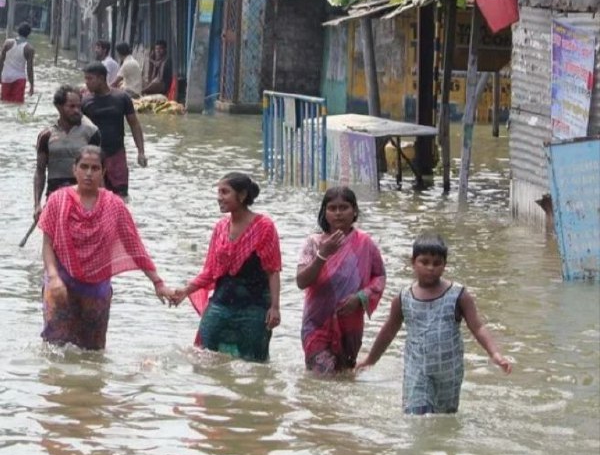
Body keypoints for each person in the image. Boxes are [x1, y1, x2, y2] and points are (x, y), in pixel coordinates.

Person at [356, 233, 512, 414]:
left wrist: (495, 353)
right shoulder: (403, 298)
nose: (431, 268)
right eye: (425, 262)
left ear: (445, 265)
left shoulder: (458, 295)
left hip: (449, 371)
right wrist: (370, 360)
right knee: (417, 416)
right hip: (417, 370)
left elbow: (477, 327)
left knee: (444, 419)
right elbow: (389, 332)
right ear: (413, 262)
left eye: (437, 263)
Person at [38, 145, 172, 350]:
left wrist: (158, 282)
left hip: (96, 290)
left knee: (92, 353)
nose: (89, 173)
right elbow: (47, 244)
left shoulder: (114, 205)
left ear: (104, 172)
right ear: (74, 169)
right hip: (61, 285)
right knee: (55, 349)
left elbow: (135, 247)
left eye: (95, 168)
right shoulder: (58, 200)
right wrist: (54, 277)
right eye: (84, 167)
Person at [170, 173, 281, 362]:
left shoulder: (264, 227)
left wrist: (275, 307)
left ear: (242, 195)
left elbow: (273, 270)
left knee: (254, 366)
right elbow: (211, 271)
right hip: (220, 305)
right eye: (218, 192)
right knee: (202, 358)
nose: (219, 197)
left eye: (225, 192)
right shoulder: (221, 227)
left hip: (254, 308)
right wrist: (185, 291)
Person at [297, 186, 386, 375]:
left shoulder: (365, 243)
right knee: (321, 376)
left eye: (344, 207)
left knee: (344, 377)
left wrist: (361, 297)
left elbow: (379, 277)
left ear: (354, 211)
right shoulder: (313, 243)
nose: (338, 213)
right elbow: (301, 281)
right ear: (325, 212)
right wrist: (322, 255)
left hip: (350, 323)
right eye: (332, 208)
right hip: (316, 323)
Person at [34, 85, 101, 220]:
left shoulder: (91, 133)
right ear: (59, 107)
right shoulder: (46, 136)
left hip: (84, 197)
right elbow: (40, 171)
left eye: (78, 106)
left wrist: (101, 202)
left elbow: (98, 170)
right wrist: (37, 205)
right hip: (55, 197)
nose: (77, 111)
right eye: (71, 106)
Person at [81, 62, 147, 198]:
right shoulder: (85, 102)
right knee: (96, 197)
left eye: (90, 79)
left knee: (121, 195)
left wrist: (141, 152)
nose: (86, 83)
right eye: (85, 79)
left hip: (117, 154)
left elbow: (134, 124)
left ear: (101, 78)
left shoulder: (122, 98)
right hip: (94, 157)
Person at [0, 21, 35, 103]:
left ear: (18, 30)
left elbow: (1, 61)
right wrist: (32, 86)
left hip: (6, 77)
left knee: (4, 102)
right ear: (28, 34)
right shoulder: (29, 48)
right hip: (19, 78)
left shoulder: (7, 43)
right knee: (17, 105)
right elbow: (29, 69)